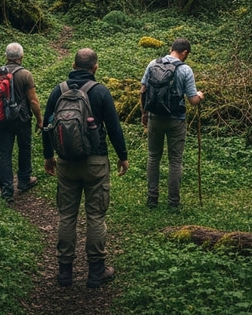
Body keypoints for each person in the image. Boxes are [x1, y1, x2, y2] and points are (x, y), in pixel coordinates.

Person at [43, 48, 129, 289]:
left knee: (67, 216)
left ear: (73, 65)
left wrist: (49, 157)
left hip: (66, 163)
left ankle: (64, 272)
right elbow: (114, 127)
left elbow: (47, 126)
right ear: (95, 67)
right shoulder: (100, 91)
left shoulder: (58, 91)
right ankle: (96, 272)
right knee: (96, 216)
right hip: (96, 163)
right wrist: (123, 157)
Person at [140, 37, 204, 210]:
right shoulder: (185, 69)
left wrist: (144, 113)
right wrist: (200, 96)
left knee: (153, 157)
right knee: (175, 161)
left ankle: (152, 199)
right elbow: (192, 100)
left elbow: (143, 90)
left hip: (154, 117)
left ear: (171, 49)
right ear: (185, 52)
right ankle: (173, 202)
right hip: (176, 120)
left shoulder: (153, 63)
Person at [0, 42, 43, 203]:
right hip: (21, 118)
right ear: (21, 57)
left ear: (6, 56)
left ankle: (6, 190)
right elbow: (33, 100)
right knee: (24, 148)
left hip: (2, 118)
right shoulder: (25, 74)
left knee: (4, 153)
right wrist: (39, 119)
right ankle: (24, 180)